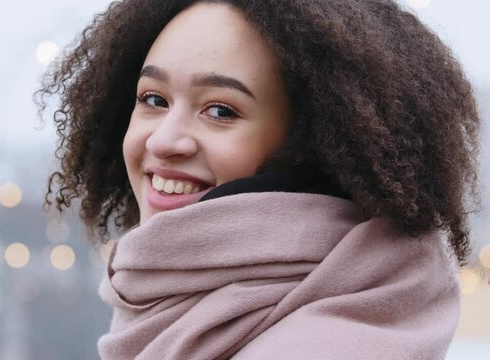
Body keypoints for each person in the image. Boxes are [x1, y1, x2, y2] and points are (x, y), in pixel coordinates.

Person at [35, 0, 481, 359]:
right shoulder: (166, 309)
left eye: (221, 110)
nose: (165, 140)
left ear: (316, 147)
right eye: (153, 99)